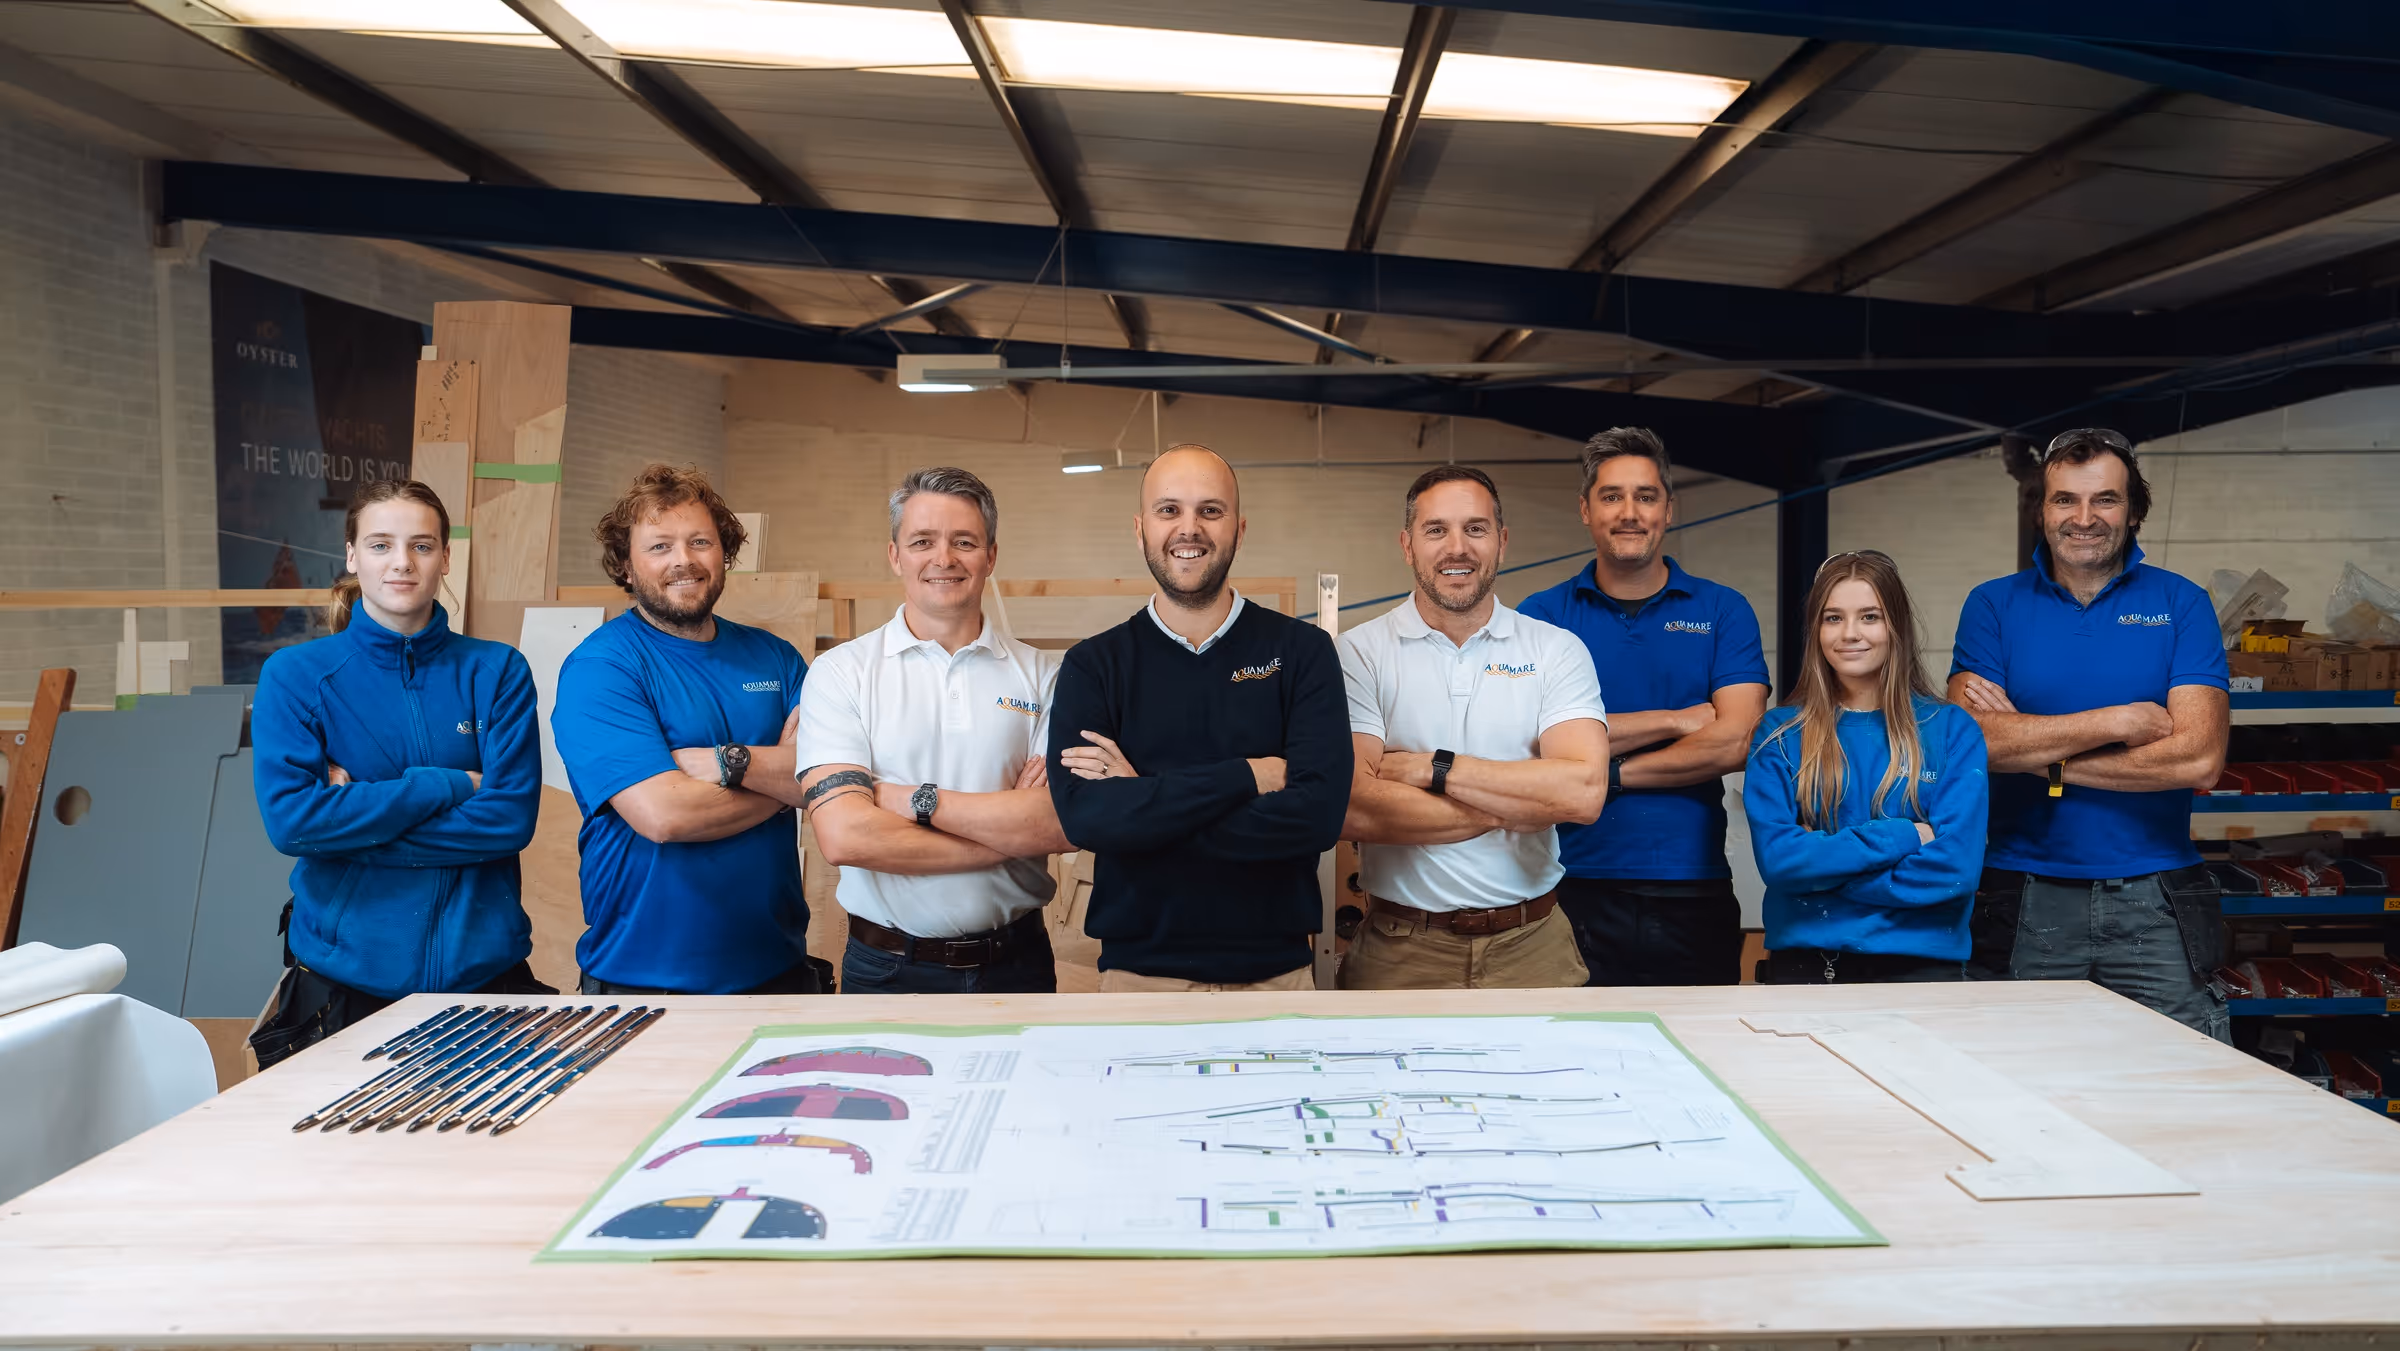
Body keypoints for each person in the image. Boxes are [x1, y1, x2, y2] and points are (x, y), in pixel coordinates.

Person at [249, 478, 546, 1067]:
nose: (402, 563)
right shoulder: (298, 676)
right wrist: (451, 785)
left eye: (422, 545)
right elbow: (294, 825)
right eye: (381, 545)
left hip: (485, 983)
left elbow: (509, 821)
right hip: (341, 990)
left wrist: (356, 820)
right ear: (353, 556)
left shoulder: (497, 672)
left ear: (445, 558)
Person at [1948, 428, 2231, 1038]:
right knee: (2019, 1078)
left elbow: (2198, 759)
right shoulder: (1992, 606)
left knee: (2189, 1081)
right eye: (2064, 500)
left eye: (2105, 499)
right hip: (2023, 891)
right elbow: (1973, 742)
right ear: (2042, 510)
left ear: (2134, 512)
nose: (2084, 518)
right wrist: (2116, 722)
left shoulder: (2182, 603)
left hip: (2156, 897)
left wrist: (2043, 759)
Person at [1045, 444, 1351, 991]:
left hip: (1276, 980)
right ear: (1140, 529)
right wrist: (1247, 777)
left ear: (1239, 527)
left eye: (1210, 510)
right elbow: (1087, 821)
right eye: (1169, 511)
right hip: (1137, 982)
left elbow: (1318, 819)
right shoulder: (1093, 665)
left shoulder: (1303, 652)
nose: (1189, 529)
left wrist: (1143, 797)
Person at [794, 467, 1069, 994]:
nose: (943, 559)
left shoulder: (1044, 675)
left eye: (963, 542)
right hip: (887, 969)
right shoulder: (842, 673)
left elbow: (1057, 825)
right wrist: (1006, 834)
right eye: (923, 541)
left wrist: (906, 800)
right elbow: (845, 835)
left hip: (1018, 964)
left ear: (990, 556)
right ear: (896, 555)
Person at [1336, 467, 1610, 989]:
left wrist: (1429, 767)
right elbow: (1353, 806)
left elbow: (1582, 794)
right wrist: (1523, 799)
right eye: (1436, 530)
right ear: (1407, 545)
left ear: (1502, 542)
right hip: (1401, 949)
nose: (1456, 547)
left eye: (1476, 529)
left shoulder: (1555, 650)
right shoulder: (1358, 654)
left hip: (1534, 945)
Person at [551, 463, 817, 996]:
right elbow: (665, 815)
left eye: (700, 541)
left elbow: (838, 774)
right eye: (659, 546)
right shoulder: (602, 668)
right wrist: (783, 784)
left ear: (725, 555)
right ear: (625, 567)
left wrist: (728, 764)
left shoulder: (776, 658)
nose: (684, 561)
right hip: (644, 980)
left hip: (778, 970)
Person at [1518, 428, 1769, 986]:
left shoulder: (1722, 609)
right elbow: (1530, 741)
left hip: (1691, 886)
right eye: (1611, 496)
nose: (1629, 512)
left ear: (1668, 510)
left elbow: (1735, 738)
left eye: (1645, 496)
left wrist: (1600, 773)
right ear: (1585, 510)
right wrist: (1677, 720)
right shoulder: (1540, 617)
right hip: (1565, 885)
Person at [1745, 551, 1987, 983]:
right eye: (1833, 618)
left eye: (1869, 617)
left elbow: (1956, 871)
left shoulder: (1951, 730)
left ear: (1896, 626)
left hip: (1923, 968)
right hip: (1808, 965)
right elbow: (1780, 864)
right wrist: (1905, 835)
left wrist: (1821, 873)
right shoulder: (1779, 734)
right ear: (1816, 630)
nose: (1850, 634)